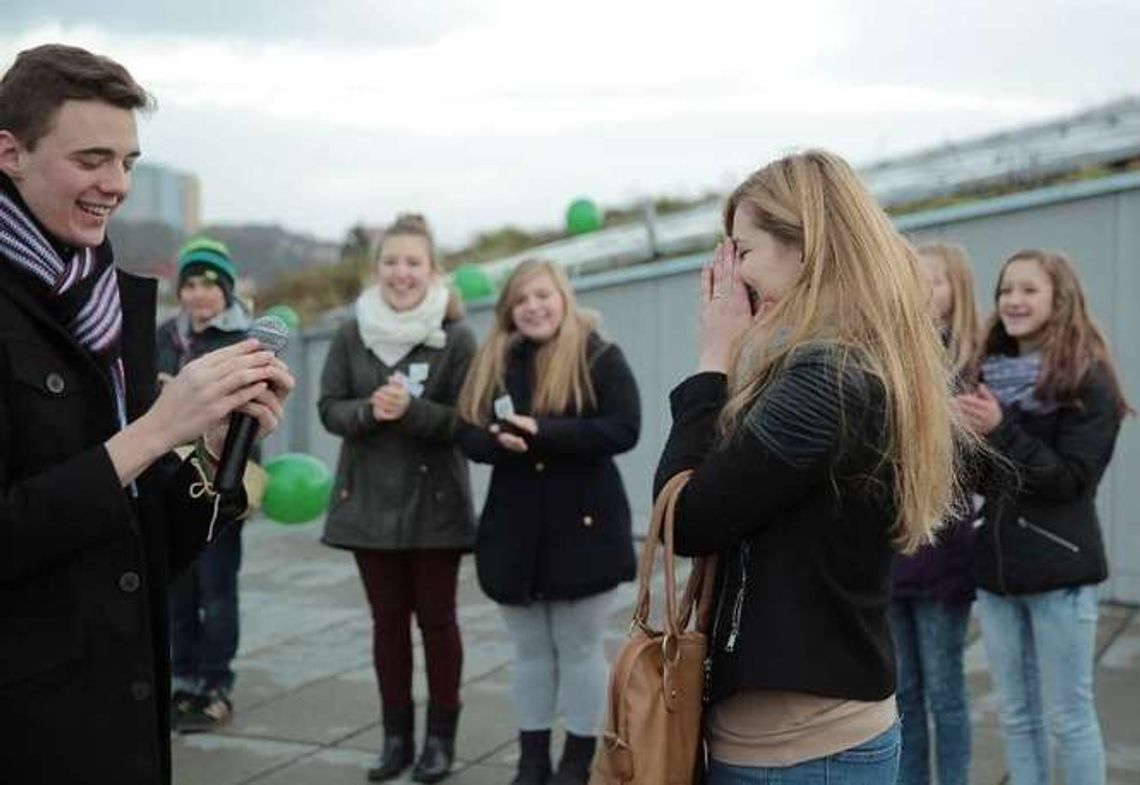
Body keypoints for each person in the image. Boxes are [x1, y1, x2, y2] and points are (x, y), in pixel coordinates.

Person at [0, 44, 293, 785]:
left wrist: (215, 448)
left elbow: (142, 550)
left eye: (128, 162)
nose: (117, 185)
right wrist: (158, 427)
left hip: (121, 713)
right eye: (93, 159)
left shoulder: (109, 299)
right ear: (10, 152)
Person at [653, 150, 961, 785]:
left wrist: (713, 356)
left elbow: (683, 520)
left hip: (797, 749)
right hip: (813, 731)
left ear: (806, 248)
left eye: (743, 251)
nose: (728, 273)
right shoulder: (851, 361)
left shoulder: (827, 380)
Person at [455, 259, 640, 785]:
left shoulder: (599, 354)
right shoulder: (495, 358)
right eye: (521, 300)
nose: (533, 307)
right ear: (508, 310)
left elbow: (625, 428)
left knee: (580, 650)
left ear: (562, 296)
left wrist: (544, 432)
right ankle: (531, 761)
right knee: (532, 653)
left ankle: (579, 763)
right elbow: (464, 432)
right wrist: (496, 441)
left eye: (542, 295)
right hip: (514, 532)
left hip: (584, 528)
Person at [954, 249, 1129, 785]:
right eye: (1006, 289)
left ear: (1060, 298)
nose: (1013, 300)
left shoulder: (1089, 381)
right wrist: (958, 439)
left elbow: (1070, 480)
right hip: (997, 573)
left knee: (1068, 717)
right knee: (1016, 713)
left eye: (1029, 289)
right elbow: (978, 480)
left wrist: (999, 428)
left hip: (1061, 575)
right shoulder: (983, 376)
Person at [319, 214, 476, 783]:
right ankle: (395, 740)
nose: (401, 273)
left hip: (435, 505)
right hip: (367, 504)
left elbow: (469, 419)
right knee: (387, 624)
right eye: (391, 261)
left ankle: (441, 741)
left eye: (413, 262)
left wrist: (414, 413)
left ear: (433, 271)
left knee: (438, 623)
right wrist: (366, 412)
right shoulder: (349, 332)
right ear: (376, 268)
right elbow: (329, 406)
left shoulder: (456, 336)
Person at [888, 241, 981, 785]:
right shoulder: (891, 357)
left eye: (936, 281)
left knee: (946, 689)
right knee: (903, 691)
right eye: (914, 279)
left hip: (944, 548)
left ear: (959, 290)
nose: (924, 291)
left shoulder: (971, 362)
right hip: (893, 548)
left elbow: (969, 458)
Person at [156, 236, 255, 732]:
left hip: (221, 481)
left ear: (227, 290)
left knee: (217, 590)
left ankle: (217, 685)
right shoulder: (162, 336)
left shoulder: (244, 341)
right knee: (177, 590)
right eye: (190, 284)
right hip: (169, 482)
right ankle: (185, 682)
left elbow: (253, 412)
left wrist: (190, 400)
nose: (198, 295)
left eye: (209, 285)